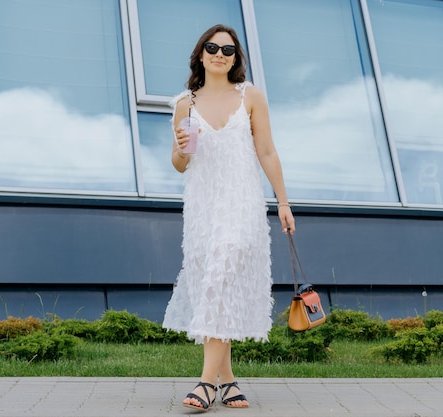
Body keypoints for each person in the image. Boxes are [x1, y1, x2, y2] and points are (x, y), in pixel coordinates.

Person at [162, 24, 295, 412]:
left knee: (222, 275)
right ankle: (229, 380)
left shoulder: (250, 96)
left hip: (241, 205)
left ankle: (205, 383)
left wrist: (283, 202)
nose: (220, 53)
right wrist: (181, 149)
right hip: (203, 208)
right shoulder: (185, 103)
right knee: (214, 286)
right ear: (200, 54)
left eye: (228, 49)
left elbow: (267, 151)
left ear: (236, 58)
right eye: (212, 47)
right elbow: (179, 164)